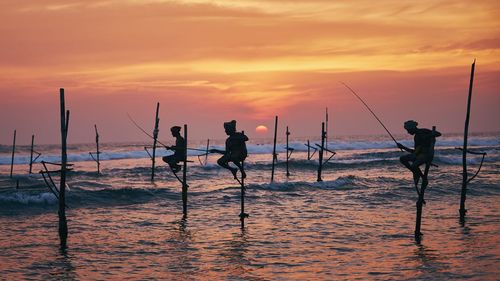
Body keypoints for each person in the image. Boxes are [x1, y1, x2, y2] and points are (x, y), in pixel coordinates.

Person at [397, 120, 441, 187]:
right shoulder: (416, 137)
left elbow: (438, 134)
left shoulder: (423, 131)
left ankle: (423, 178)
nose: (408, 132)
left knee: (414, 166)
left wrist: (427, 136)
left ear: (412, 128)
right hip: (419, 155)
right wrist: (403, 147)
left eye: (408, 130)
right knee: (402, 158)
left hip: (427, 154)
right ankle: (416, 173)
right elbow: (415, 152)